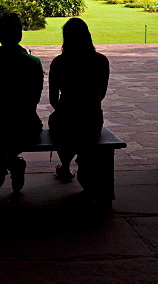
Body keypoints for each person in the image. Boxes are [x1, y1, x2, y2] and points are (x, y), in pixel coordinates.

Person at [0, 13, 44, 192]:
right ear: (20, 34)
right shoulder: (33, 63)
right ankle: (11, 161)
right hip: (26, 124)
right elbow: (34, 99)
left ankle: (4, 161)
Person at [48, 18, 110, 188]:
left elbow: (53, 99)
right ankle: (83, 161)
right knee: (83, 126)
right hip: (92, 117)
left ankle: (66, 166)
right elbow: (101, 95)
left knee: (59, 123)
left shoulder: (59, 63)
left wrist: (67, 109)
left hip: (65, 117)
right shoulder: (101, 61)